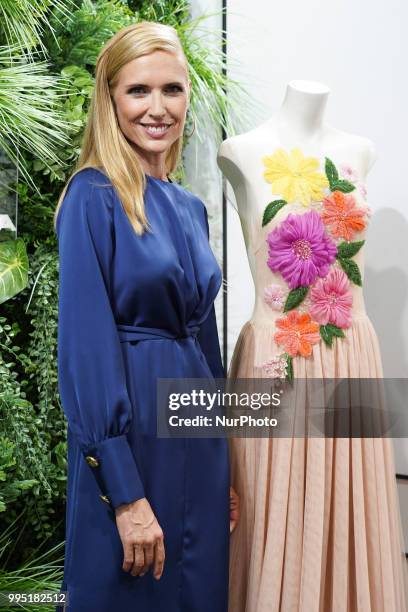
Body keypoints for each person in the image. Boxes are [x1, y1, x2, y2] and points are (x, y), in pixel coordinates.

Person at [54, 21, 237, 612]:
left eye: (172, 90)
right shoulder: (92, 194)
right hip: (131, 443)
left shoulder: (190, 208)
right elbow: (85, 349)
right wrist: (126, 495)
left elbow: (204, 346)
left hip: (197, 440)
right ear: (109, 100)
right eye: (138, 91)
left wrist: (226, 460)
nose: (158, 108)